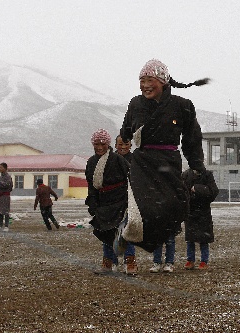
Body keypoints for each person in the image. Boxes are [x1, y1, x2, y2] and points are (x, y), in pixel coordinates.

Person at [119, 59, 209, 253]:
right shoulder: (136, 103)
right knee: (146, 209)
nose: (144, 85)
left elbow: (192, 138)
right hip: (143, 162)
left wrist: (196, 165)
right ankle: (128, 236)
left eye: (149, 80)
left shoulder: (182, 105)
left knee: (177, 206)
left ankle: (151, 241)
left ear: (163, 81)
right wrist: (124, 138)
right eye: (141, 80)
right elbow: (126, 128)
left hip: (169, 161)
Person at [85, 129, 129, 275]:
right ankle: (108, 263)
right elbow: (91, 184)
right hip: (102, 203)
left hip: (120, 201)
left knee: (123, 233)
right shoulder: (91, 162)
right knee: (105, 233)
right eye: (96, 144)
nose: (99, 147)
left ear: (107, 144)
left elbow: (130, 180)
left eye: (102, 144)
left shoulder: (118, 160)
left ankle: (130, 263)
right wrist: (93, 204)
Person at [182, 168, 219, 270]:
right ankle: (190, 260)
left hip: (203, 211)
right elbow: (182, 191)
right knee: (190, 238)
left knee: (204, 239)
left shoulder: (207, 174)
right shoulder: (186, 175)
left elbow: (214, 192)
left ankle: (204, 261)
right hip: (191, 211)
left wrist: (198, 189)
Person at [114, 135, 137, 276]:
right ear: (115, 145)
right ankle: (111, 261)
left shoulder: (136, 160)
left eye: (126, 144)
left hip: (130, 201)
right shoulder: (109, 159)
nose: (123, 147)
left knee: (128, 232)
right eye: (120, 144)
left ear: (130, 145)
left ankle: (130, 262)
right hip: (112, 202)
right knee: (110, 232)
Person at [0, 162, 13, 232]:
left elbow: (6, 185)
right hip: (0, 196)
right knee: (0, 212)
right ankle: (0, 225)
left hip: (5, 196)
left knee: (6, 211)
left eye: (1, 167)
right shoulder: (0, 177)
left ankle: (6, 226)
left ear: (5, 168)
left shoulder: (8, 177)